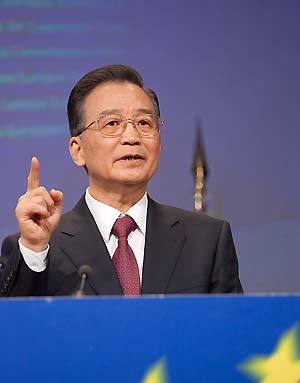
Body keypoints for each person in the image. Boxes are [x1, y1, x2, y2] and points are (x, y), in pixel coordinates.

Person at [0, 64, 243, 297]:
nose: (131, 136)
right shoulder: (41, 247)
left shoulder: (206, 241)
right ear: (78, 150)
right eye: (112, 123)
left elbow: (234, 334)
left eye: (144, 123)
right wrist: (34, 250)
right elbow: (14, 332)